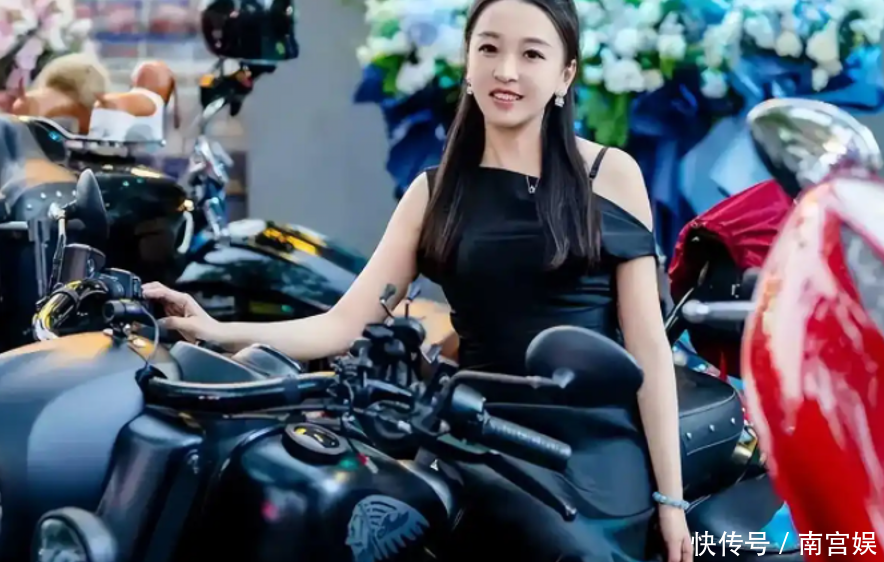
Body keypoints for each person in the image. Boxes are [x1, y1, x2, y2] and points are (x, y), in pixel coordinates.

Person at [144, 0, 691, 560]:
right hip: (475, 435)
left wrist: (671, 503)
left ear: (565, 74)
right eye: (489, 48)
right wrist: (217, 331)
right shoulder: (435, 193)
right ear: (468, 62)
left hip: (593, 451)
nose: (506, 70)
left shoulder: (609, 175)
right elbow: (345, 324)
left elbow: (648, 349)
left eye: (532, 54)